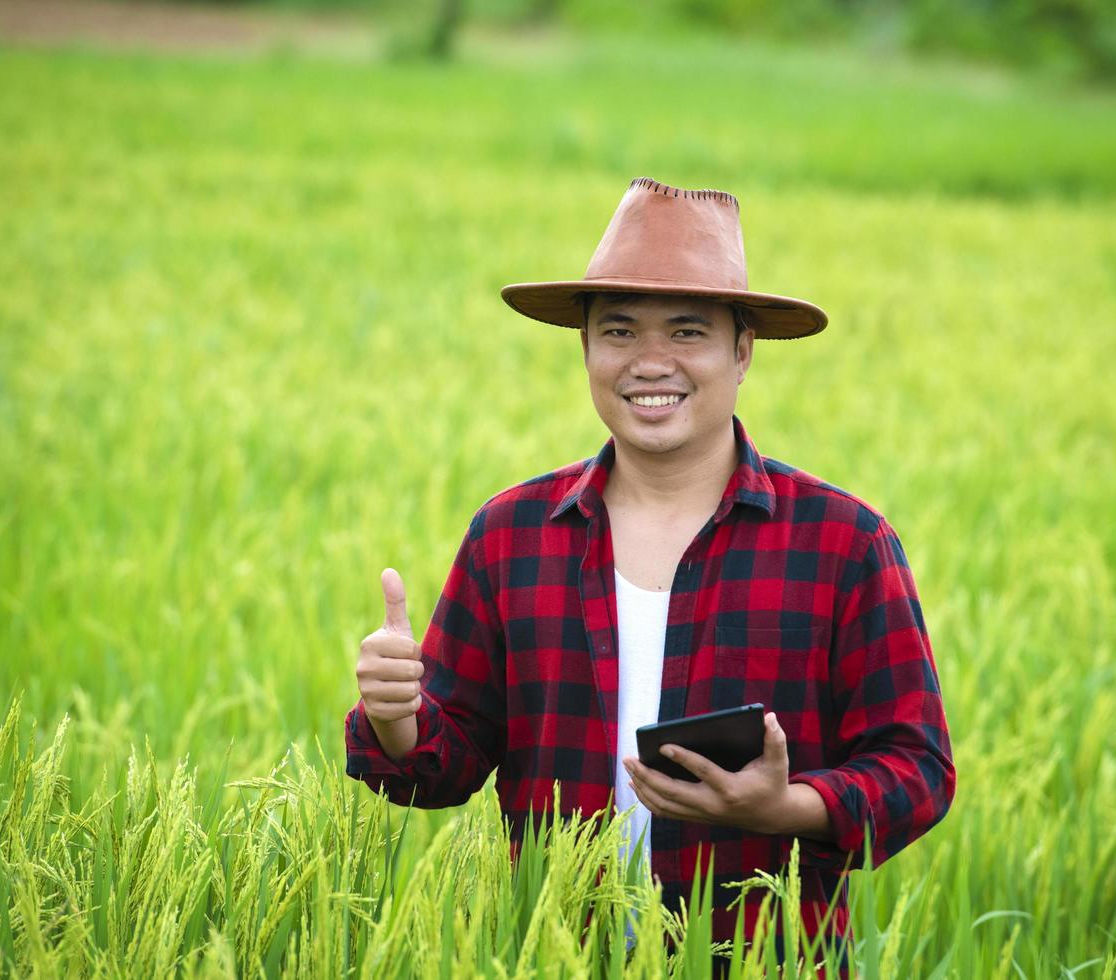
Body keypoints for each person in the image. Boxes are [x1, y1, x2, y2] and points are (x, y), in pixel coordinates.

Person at [344, 177, 955, 947]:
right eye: (621, 331)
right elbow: (445, 764)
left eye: (689, 333)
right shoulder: (512, 534)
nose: (651, 362)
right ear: (587, 349)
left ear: (742, 351)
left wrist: (785, 808)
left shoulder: (843, 544)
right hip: (553, 954)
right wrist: (397, 721)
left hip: (761, 956)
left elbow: (917, 769)